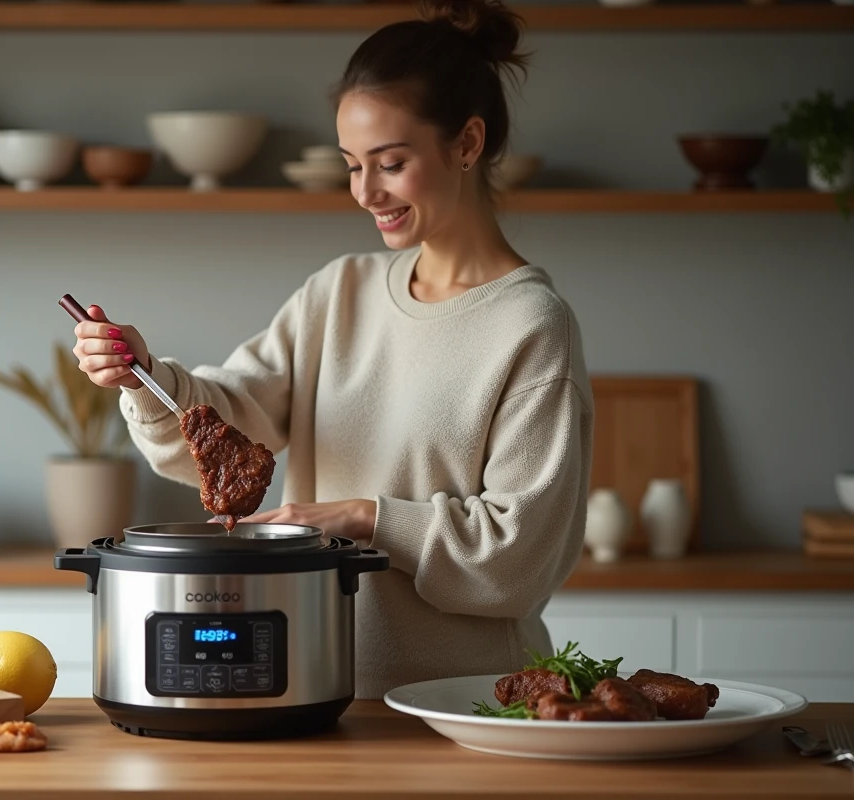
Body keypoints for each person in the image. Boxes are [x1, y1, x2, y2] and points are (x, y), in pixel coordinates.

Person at [72, 0, 594, 700]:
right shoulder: (338, 291)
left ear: (467, 144)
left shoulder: (531, 325)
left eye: (391, 163)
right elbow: (232, 419)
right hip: (318, 692)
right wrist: (145, 376)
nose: (365, 192)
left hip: (471, 704)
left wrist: (358, 518)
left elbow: (517, 560)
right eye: (352, 166)